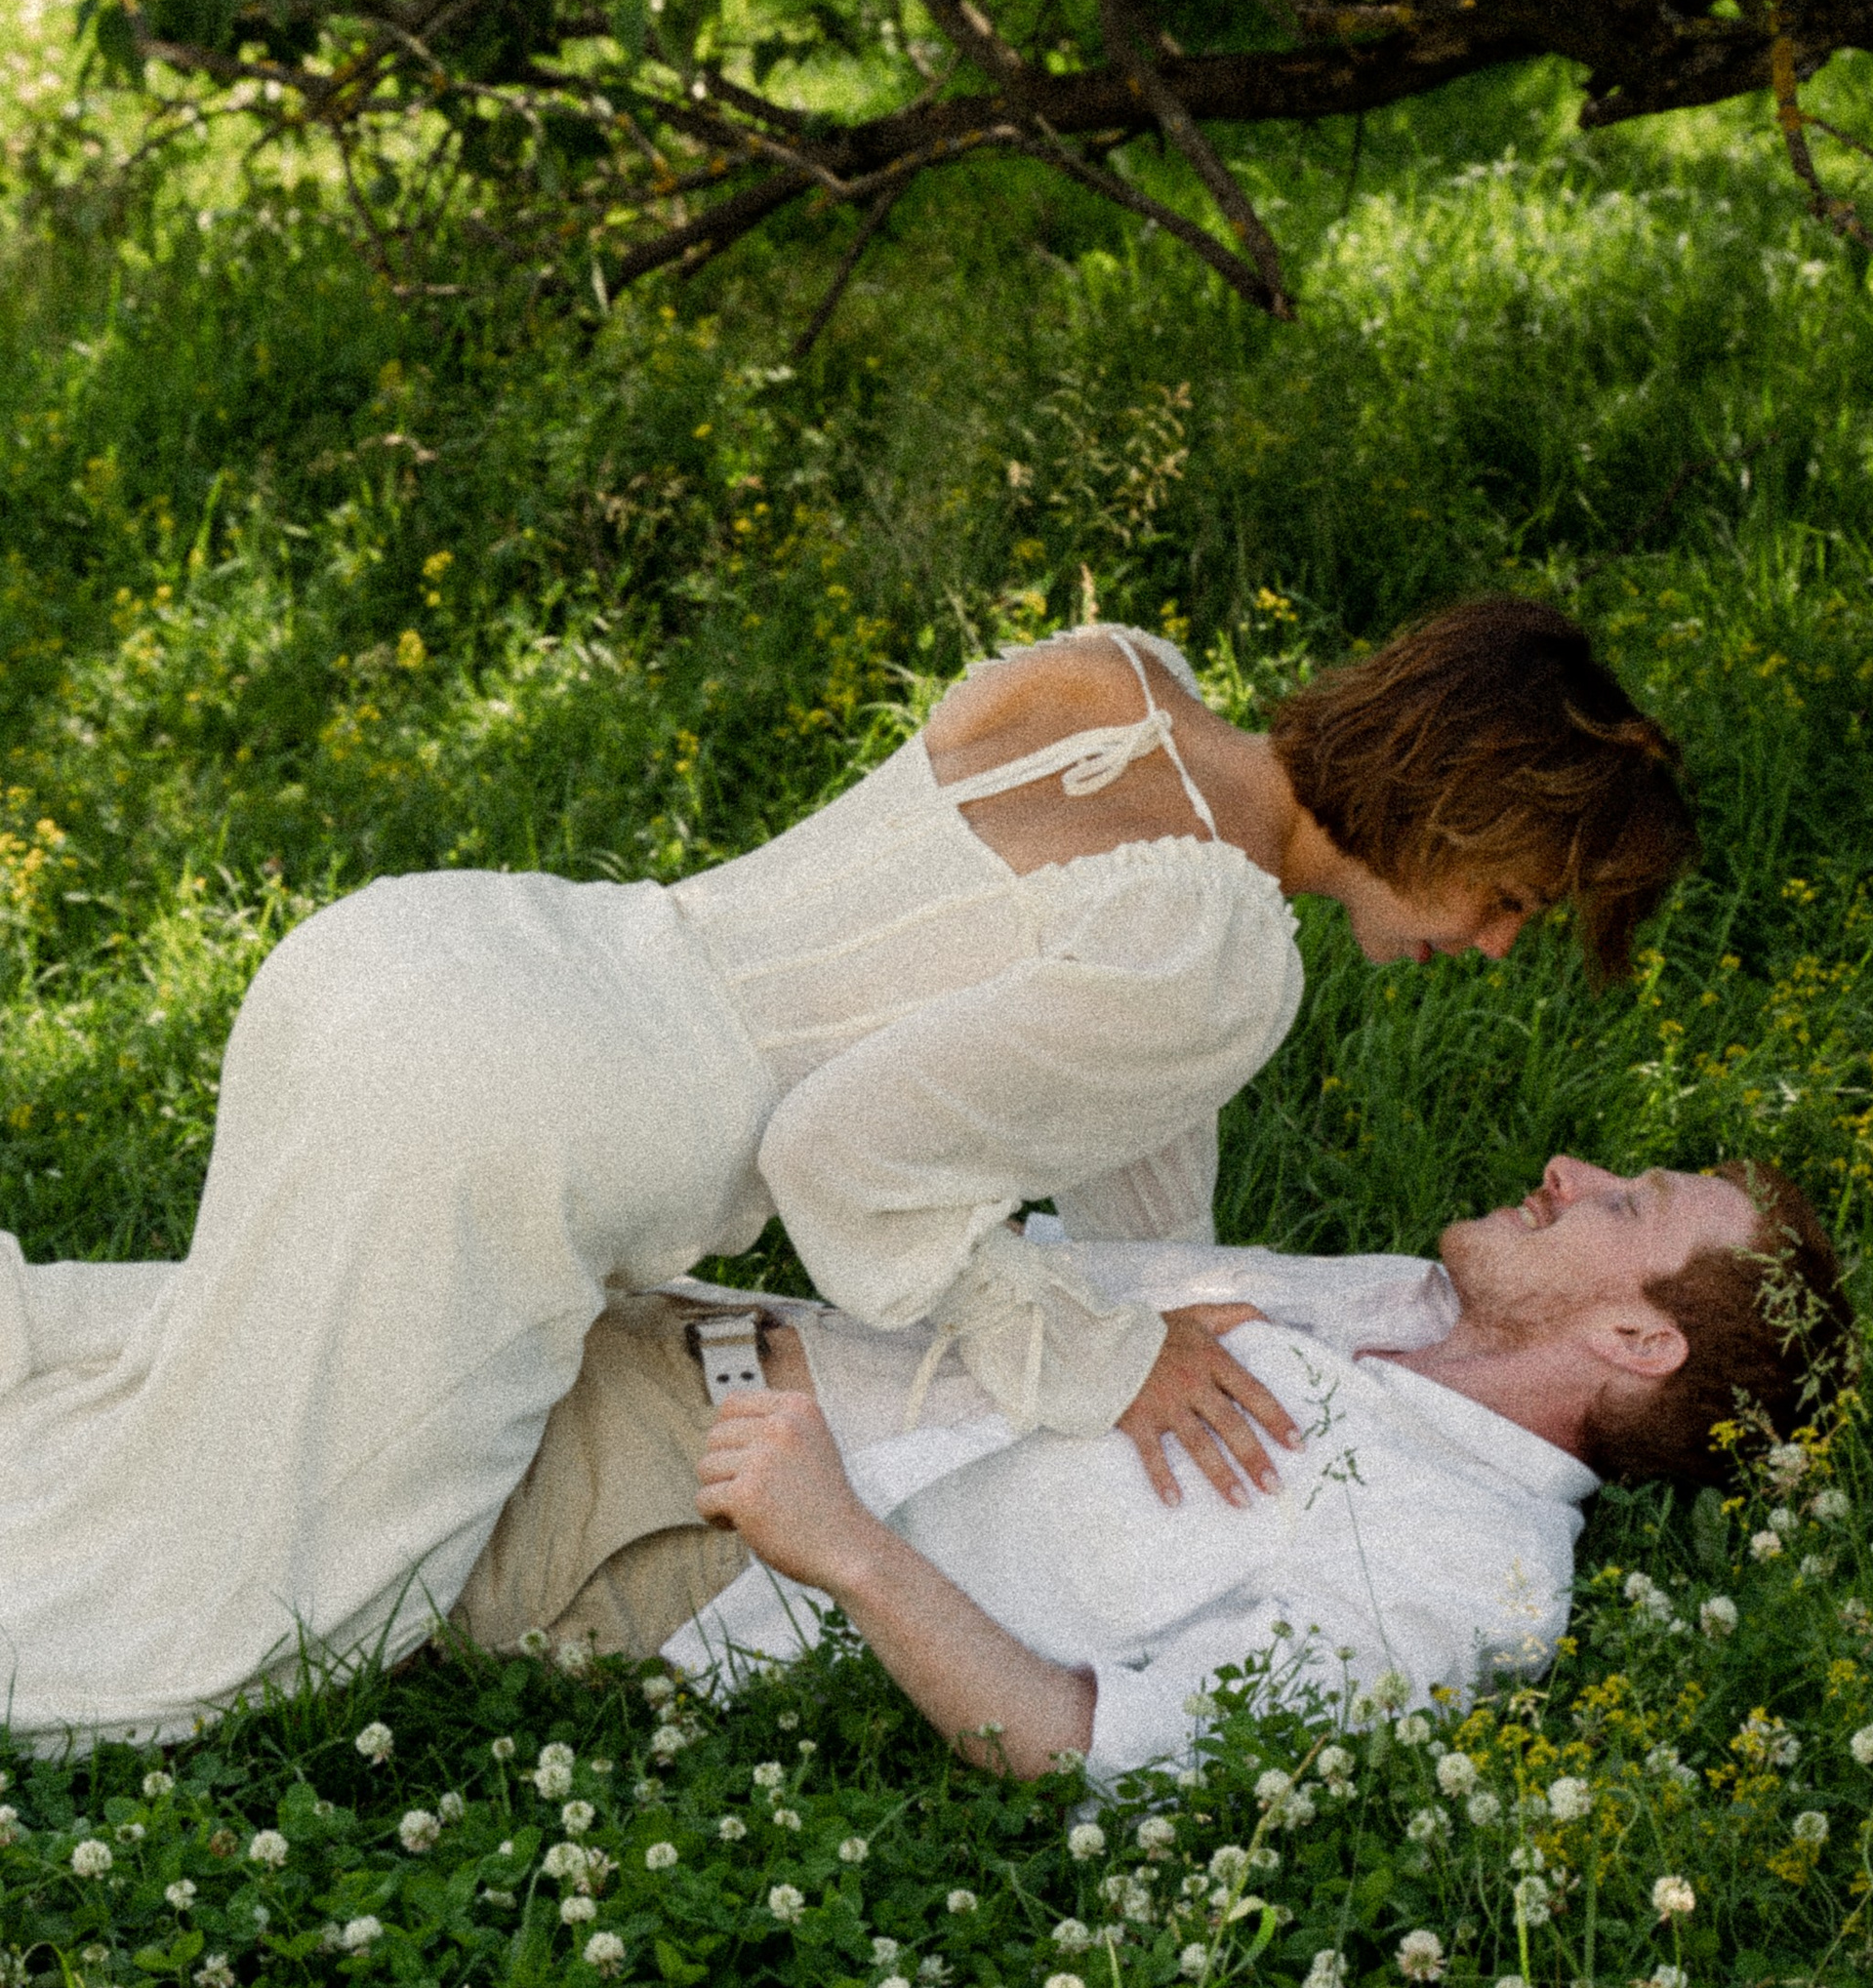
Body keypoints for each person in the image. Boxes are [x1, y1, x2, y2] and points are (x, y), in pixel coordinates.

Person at [0, 604, 1695, 1747]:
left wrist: (1152, 1309)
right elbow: (838, 1161)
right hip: (524, 1125)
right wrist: (1100, 1359)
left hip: (432, 956)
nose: (1487, 946)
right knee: (239, 1621)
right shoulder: (1224, 958)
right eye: (1515, 903)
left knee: (198, 1390)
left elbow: (1114, 1142)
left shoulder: (1117, 678)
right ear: (1466, 816)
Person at [451, 1153, 1851, 1784]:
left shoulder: (1465, 1578)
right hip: (675, 1325)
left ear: (1633, 1338)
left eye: (1622, 1204)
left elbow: (1095, 1750)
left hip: (665, 1533)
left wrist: (848, 1552)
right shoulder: (1404, 1304)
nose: (1562, 1166)